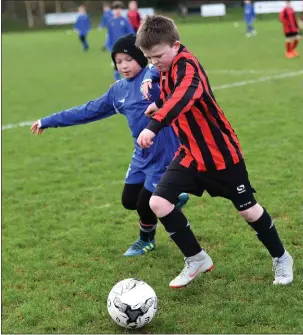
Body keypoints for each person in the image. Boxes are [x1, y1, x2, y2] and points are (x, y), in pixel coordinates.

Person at [135, 15, 294, 288]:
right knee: (158, 202)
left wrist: (153, 125)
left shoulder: (189, 66)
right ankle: (196, 257)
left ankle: (282, 257)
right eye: (149, 58)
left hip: (221, 154)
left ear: (176, 45)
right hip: (191, 154)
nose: (154, 63)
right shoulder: (167, 65)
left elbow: (182, 97)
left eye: (158, 56)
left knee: (249, 211)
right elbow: (170, 94)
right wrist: (158, 101)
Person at [30, 34, 189, 257]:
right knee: (129, 201)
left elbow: (172, 68)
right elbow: (88, 110)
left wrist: (151, 74)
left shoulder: (154, 80)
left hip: (164, 152)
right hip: (141, 154)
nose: (123, 66)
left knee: (146, 203)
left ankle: (146, 240)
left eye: (128, 59)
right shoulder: (119, 90)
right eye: (118, 61)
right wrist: (48, 121)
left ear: (141, 58)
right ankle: (170, 199)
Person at [106, 1, 135, 80]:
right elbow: (109, 34)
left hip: (124, 47)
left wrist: (130, 44)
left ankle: (130, 79)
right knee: (116, 65)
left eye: (119, 9)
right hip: (114, 47)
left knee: (126, 64)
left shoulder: (125, 21)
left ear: (121, 10)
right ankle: (117, 82)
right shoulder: (110, 21)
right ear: (113, 10)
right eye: (115, 9)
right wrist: (107, 45)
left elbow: (131, 33)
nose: (117, 11)